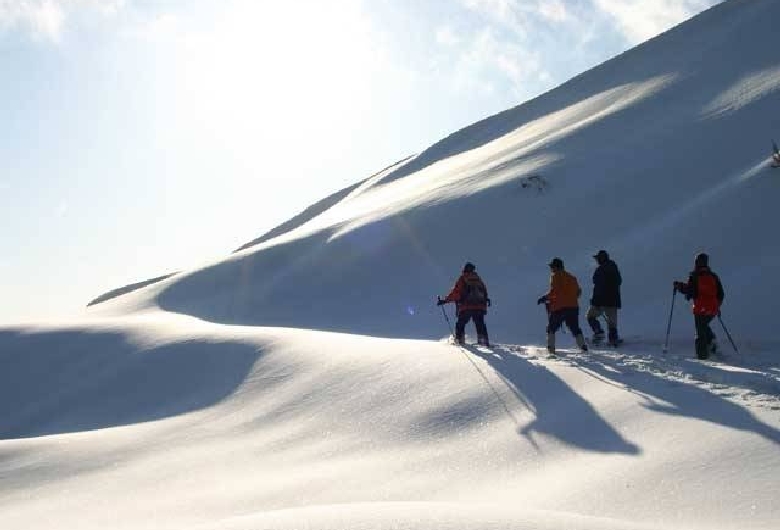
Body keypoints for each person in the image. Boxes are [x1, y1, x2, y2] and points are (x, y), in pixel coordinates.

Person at [673, 252, 725, 359]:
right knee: (704, 326)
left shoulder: (695, 276)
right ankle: (712, 343)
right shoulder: (714, 276)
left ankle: (702, 356)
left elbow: (690, 291)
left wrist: (679, 286)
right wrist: (717, 306)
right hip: (712, 309)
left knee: (700, 331)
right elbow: (721, 294)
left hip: (700, 309)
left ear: (696, 262)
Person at [537, 257, 588, 355]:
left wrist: (544, 298)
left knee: (551, 328)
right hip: (573, 307)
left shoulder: (555, 276)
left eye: (552, 267)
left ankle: (551, 350)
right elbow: (578, 292)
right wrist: (571, 299)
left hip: (559, 308)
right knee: (575, 328)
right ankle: (583, 348)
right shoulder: (572, 277)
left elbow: (554, 292)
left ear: (556, 267)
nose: (551, 269)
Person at [437, 262, 491, 346]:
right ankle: (483, 341)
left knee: (461, 323)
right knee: (480, 323)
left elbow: (456, 293)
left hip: (466, 306)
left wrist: (445, 300)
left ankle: (459, 340)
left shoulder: (463, 279)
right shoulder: (478, 280)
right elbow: (485, 292)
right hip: (480, 306)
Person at [586, 250, 622, 346]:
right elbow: (619, 281)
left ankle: (598, 333)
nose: (597, 261)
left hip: (601, 300)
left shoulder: (600, 270)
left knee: (590, 316)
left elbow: (598, 287)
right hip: (614, 299)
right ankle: (613, 339)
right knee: (612, 321)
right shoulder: (614, 267)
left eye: (597, 259)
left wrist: (595, 300)